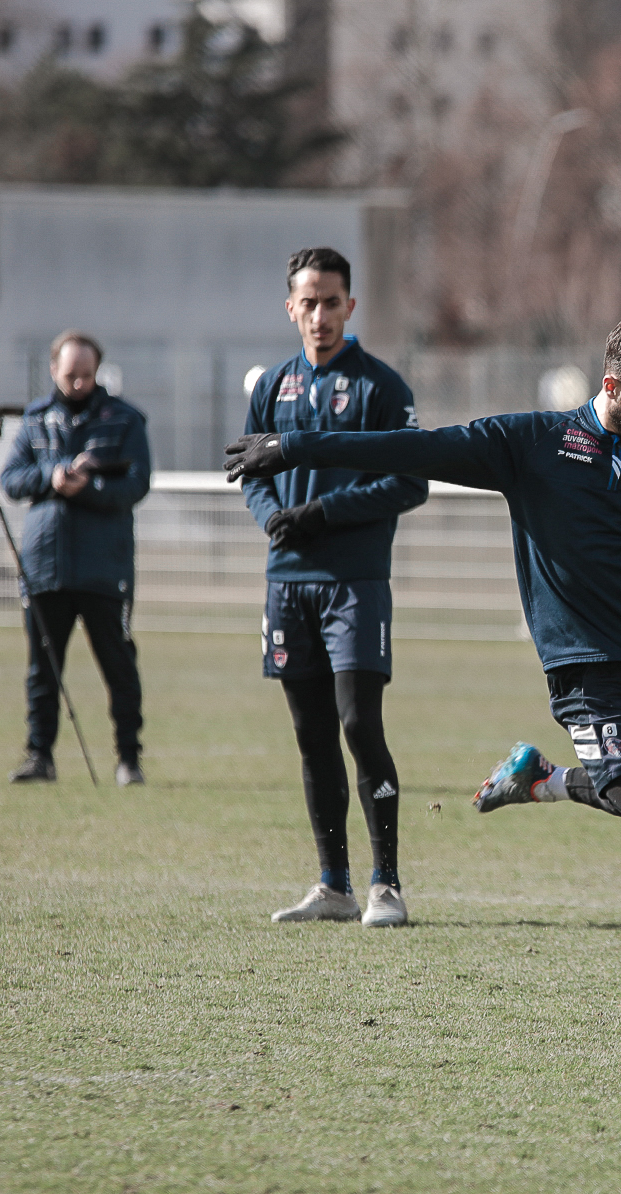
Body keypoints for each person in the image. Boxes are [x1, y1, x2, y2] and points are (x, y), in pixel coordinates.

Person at [225, 311, 621, 1024]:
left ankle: (544, 780)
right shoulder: (531, 445)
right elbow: (415, 449)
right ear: (614, 385)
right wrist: (293, 446)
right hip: (590, 680)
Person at [240, 247, 428, 929]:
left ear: (351, 306)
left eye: (330, 302)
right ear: (290, 307)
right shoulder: (273, 388)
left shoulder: (381, 387)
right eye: (307, 302)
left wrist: (320, 514)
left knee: (357, 722)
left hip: (354, 583)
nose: (319, 314)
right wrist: (274, 522)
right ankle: (333, 886)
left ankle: (387, 885)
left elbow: (410, 482)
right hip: (288, 585)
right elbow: (251, 472)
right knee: (312, 733)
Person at [0, 331, 152, 788]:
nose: (79, 383)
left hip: (105, 567)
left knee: (119, 665)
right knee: (41, 669)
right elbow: (11, 479)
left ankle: (129, 758)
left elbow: (137, 484)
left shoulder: (125, 420)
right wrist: (52, 475)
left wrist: (91, 487)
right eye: (70, 375)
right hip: (46, 567)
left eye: (87, 375)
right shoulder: (35, 420)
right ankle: (39, 755)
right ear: (54, 371)